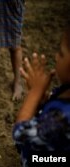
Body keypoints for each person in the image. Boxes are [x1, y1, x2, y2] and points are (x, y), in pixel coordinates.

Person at [13, 26, 70, 167]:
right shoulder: (65, 90)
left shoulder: (64, 117)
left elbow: (21, 134)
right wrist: (43, 101)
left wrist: (35, 93)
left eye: (62, 54)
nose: (56, 56)